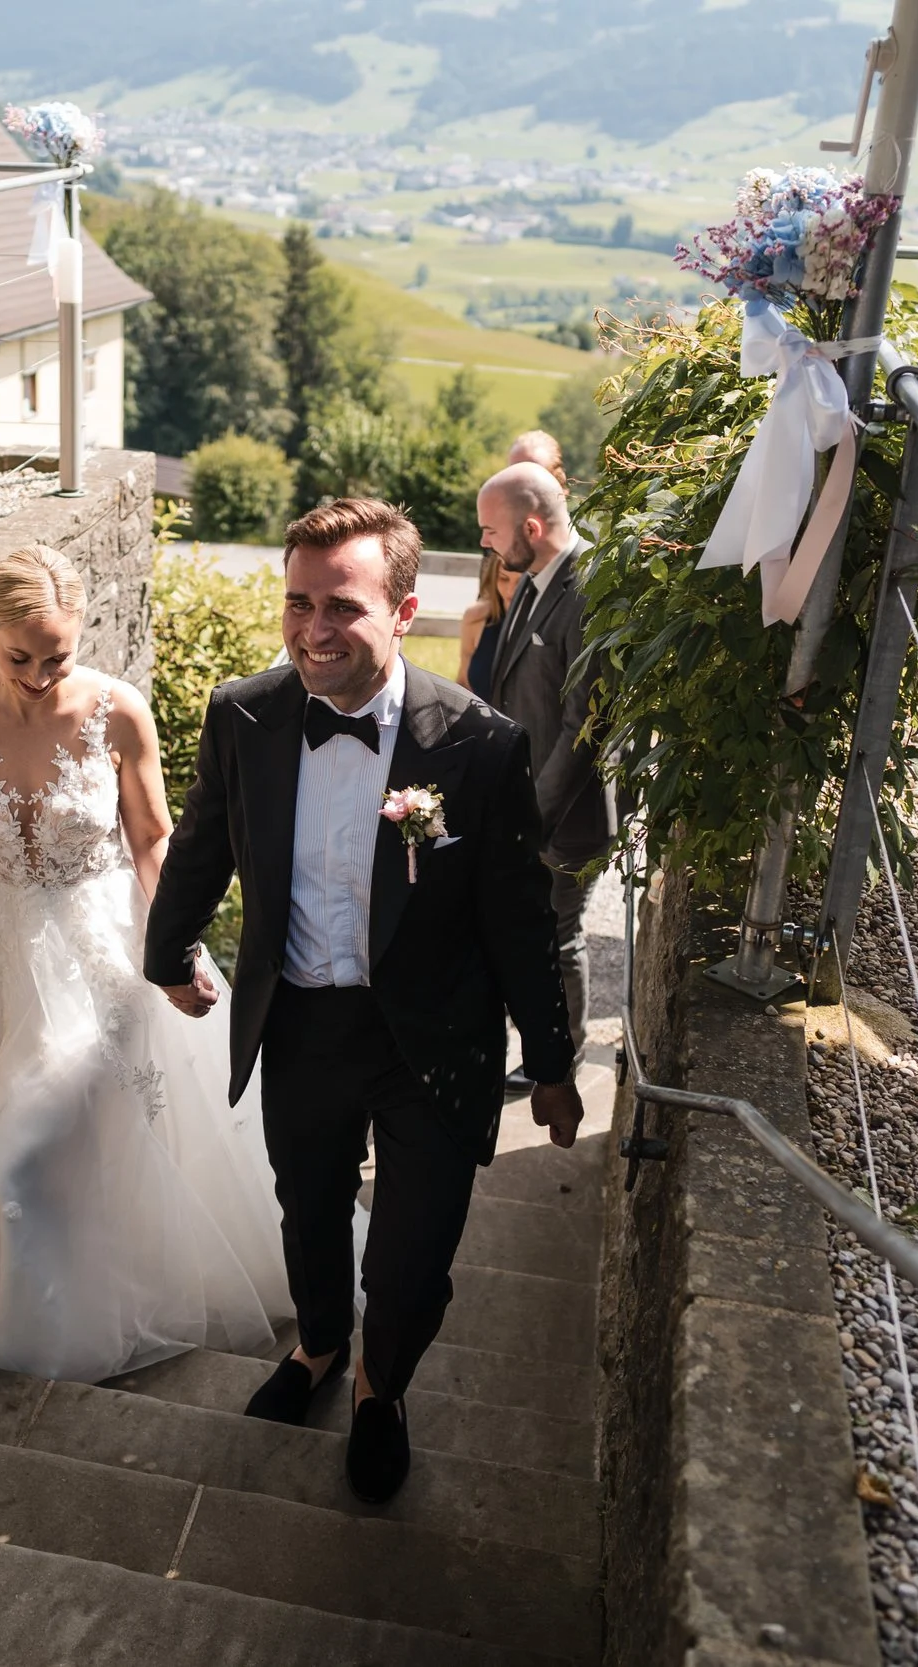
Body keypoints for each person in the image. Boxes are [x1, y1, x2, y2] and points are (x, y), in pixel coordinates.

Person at [144, 497, 581, 1506]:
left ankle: (383, 1386)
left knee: (415, 1251)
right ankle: (321, 1346)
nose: (312, 630)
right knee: (307, 1210)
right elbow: (205, 842)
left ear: (404, 609)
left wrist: (552, 1064)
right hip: (299, 1019)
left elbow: (520, 916)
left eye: (340, 606)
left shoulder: (480, 745)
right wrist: (166, 948)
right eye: (297, 603)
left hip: (433, 1035)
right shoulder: (243, 714)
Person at [0, 544, 291, 1384]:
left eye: (60, 656)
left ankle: (56, 1335)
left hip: (99, 956)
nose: (41, 675)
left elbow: (152, 839)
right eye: (20, 657)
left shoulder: (118, 713)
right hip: (1, 953)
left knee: (24, 1149)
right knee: (60, 1146)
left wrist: (177, 948)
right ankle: (68, 1293)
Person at [475, 463, 611, 1079]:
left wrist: (532, 817)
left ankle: (557, 1060)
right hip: (524, 805)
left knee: (555, 938)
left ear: (531, 525)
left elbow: (589, 723)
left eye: (491, 530)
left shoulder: (587, 589)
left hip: (564, 817)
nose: (485, 543)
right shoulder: (532, 580)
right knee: (520, 930)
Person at [457, 551, 523, 700]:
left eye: (520, 581)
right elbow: (463, 684)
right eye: (503, 579)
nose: (510, 591)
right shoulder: (475, 618)